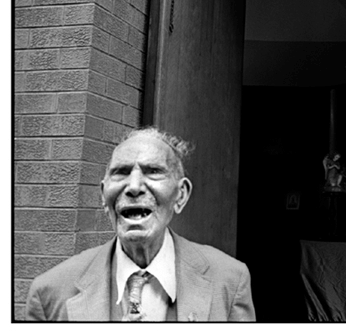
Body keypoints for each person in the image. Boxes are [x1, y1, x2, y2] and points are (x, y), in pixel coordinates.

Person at [25, 127, 256, 322]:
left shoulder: (230, 280)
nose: (134, 186)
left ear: (181, 195)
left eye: (153, 171)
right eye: (121, 173)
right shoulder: (50, 293)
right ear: (104, 196)